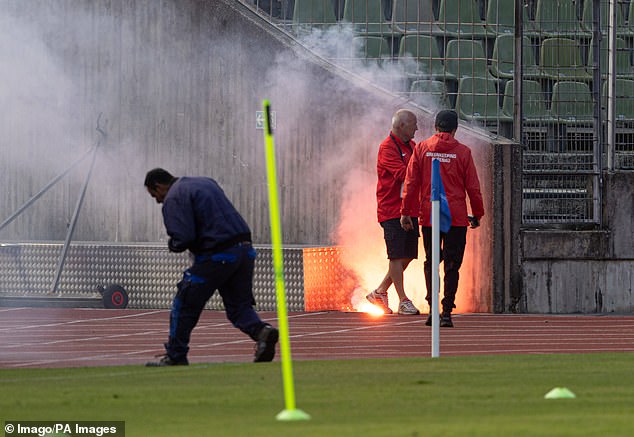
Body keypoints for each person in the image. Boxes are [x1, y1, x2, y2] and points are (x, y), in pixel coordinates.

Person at [143, 168, 279, 366]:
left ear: (158, 186)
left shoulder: (174, 196)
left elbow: (184, 237)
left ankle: (175, 355)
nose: (158, 201)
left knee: (185, 303)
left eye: (155, 195)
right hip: (245, 250)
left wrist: (173, 244)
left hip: (217, 254)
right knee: (239, 307)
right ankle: (262, 332)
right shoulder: (206, 182)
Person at [400, 110, 484, 327]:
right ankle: (447, 312)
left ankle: (432, 309)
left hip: (429, 216)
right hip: (455, 217)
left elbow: (411, 183)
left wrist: (406, 212)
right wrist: (478, 213)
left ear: (435, 127)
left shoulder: (422, 148)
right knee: (452, 264)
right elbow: (473, 188)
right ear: (455, 129)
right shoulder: (463, 152)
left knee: (431, 261)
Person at [366, 109, 421, 315]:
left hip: (410, 208)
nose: (417, 128)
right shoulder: (387, 147)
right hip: (392, 210)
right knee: (397, 255)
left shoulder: (412, 146)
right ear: (401, 126)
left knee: (408, 255)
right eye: (413, 124)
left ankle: (379, 292)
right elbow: (403, 174)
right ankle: (403, 300)